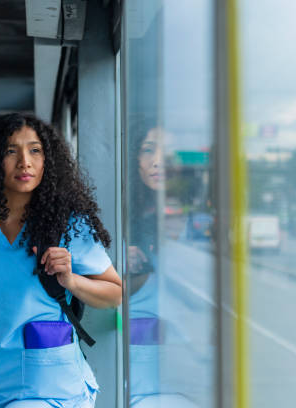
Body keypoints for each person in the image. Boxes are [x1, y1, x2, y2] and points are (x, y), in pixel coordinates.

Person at [0, 113, 122, 408]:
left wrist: (71, 280)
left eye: (35, 150)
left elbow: (115, 293)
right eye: (10, 151)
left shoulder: (68, 223)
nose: (25, 161)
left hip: (52, 383)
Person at [127, 120, 197, 408]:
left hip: (194, 359)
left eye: (169, 152)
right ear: (133, 158)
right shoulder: (120, 218)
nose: (158, 162)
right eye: (148, 150)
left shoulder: (203, 218)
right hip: (139, 366)